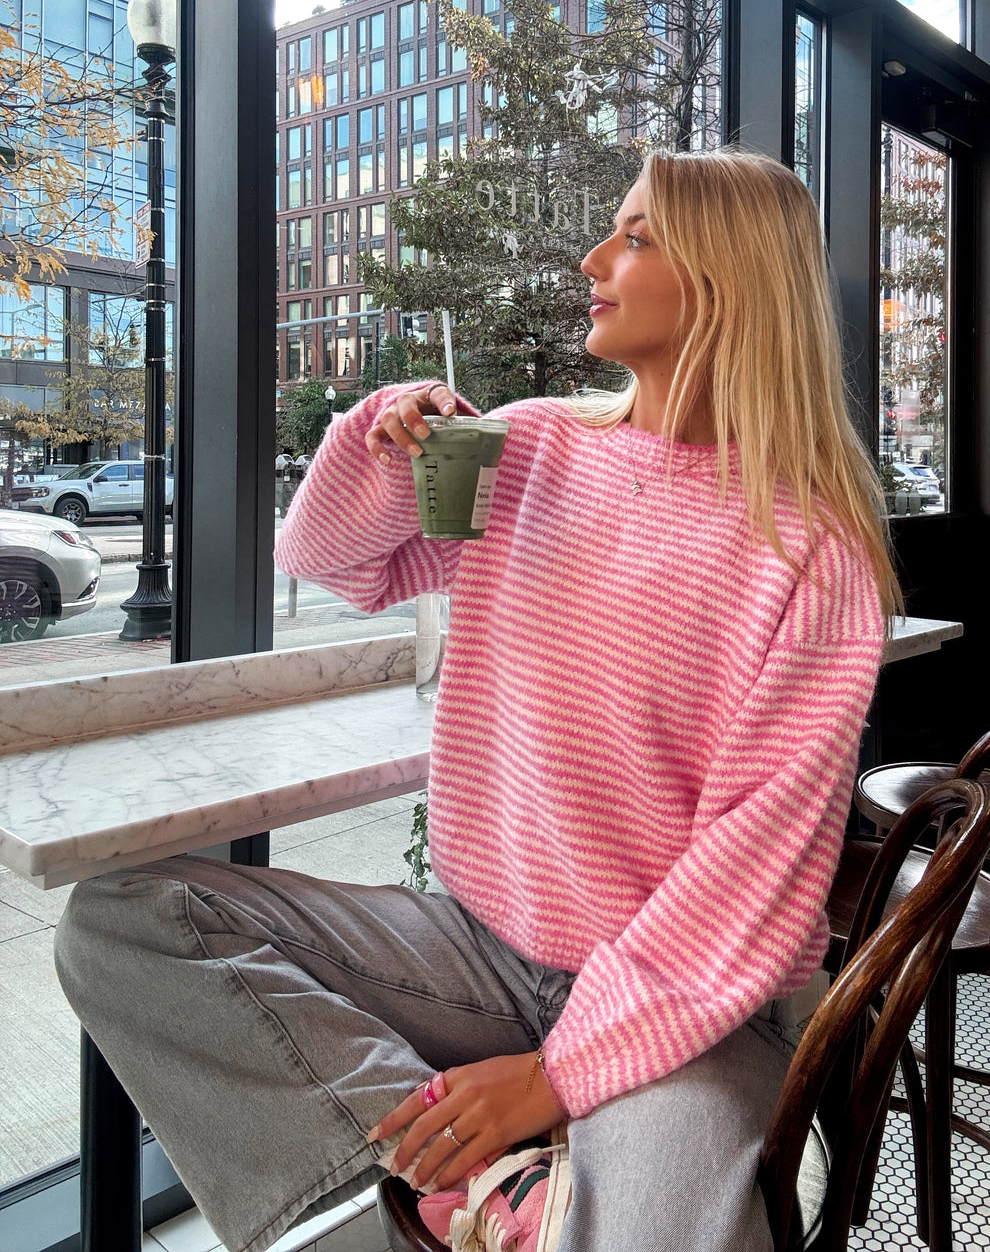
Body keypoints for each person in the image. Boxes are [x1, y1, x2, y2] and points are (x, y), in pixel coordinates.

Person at [54, 149, 899, 1252]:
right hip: (473, 944)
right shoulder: (534, 445)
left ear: (727, 277)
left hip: (693, 1003)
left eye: (636, 237)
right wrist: (373, 438)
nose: (596, 258)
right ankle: (470, 1183)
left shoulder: (810, 552)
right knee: (122, 920)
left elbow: (753, 874)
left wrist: (562, 1072)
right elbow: (336, 562)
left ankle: (481, 1189)